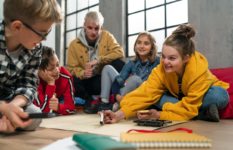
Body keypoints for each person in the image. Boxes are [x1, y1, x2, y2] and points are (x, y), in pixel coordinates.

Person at [103, 24, 229, 124]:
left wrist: (159, 115)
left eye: (172, 58)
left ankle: (197, 113)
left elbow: (188, 108)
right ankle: (202, 113)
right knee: (154, 97)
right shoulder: (160, 70)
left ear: (186, 58)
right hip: (178, 99)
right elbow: (145, 93)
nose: (165, 62)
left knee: (220, 96)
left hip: (198, 97)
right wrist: (118, 115)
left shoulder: (197, 70)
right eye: (163, 56)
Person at [0, 0, 62, 133]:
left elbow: (28, 83)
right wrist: (4, 108)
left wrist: (13, 106)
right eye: (42, 33)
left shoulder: (35, 49)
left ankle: (7, 121)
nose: (44, 39)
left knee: (34, 115)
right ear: (17, 27)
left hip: (9, 99)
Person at [66, 11, 125, 113]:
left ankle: (108, 98)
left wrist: (99, 60)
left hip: (103, 78)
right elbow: (71, 68)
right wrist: (83, 73)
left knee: (118, 63)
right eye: (89, 28)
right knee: (72, 80)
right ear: (84, 26)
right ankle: (91, 100)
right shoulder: (73, 45)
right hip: (88, 82)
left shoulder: (107, 36)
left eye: (96, 28)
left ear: (101, 27)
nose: (93, 32)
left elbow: (119, 52)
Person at [98, 32, 160, 112]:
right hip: (127, 94)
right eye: (139, 43)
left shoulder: (158, 61)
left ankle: (118, 106)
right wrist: (117, 95)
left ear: (152, 47)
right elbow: (119, 79)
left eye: (146, 43)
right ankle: (104, 104)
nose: (141, 46)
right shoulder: (131, 63)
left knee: (135, 79)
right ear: (135, 45)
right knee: (107, 68)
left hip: (145, 95)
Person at [33, 47, 76, 115]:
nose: (57, 70)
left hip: (58, 99)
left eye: (57, 65)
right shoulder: (34, 79)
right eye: (51, 68)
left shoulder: (66, 76)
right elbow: (42, 111)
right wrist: (50, 83)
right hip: (43, 101)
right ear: (39, 70)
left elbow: (71, 108)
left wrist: (58, 107)